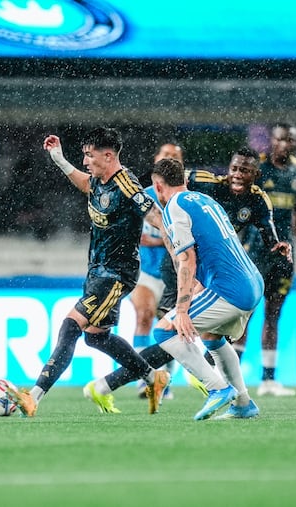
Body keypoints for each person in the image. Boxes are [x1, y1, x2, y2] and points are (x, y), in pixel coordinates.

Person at [5, 127, 170, 417]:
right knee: (97, 336)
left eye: (89, 156)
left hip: (117, 275)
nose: (85, 162)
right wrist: (59, 159)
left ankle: (34, 396)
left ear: (108, 156)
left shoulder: (127, 184)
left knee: (70, 326)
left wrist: (182, 245)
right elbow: (85, 184)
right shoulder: (99, 179)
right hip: (97, 270)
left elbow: (154, 216)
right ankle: (153, 377)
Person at [85, 157, 265, 420]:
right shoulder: (205, 200)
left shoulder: (174, 208)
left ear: (158, 186)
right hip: (252, 283)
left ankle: (217, 388)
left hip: (231, 290)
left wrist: (181, 309)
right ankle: (243, 403)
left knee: (165, 331)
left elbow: (187, 259)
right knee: (212, 338)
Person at [243, 122, 296, 397]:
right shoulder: (257, 170)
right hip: (255, 251)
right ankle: (229, 379)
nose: (285, 144)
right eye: (280, 139)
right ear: (271, 141)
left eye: (290, 140)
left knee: (273, 315)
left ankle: (268, 380)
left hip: (284, 254)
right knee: (244, 314)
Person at [131, 142, 184, 399]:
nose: (170, 159)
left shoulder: (186, 198)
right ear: (156, 160)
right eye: (166, 156)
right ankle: (144, 379)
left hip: (176, 274)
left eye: (175, 157)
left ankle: (165, 381)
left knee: (170, 327)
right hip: (147, 271)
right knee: (144, 315)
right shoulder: (142, 195)